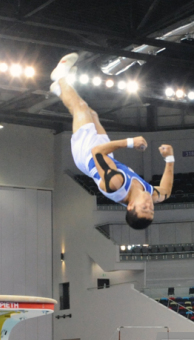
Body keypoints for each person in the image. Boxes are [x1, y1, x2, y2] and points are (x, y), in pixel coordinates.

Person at [50, 53, 175, 230]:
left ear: (130, 206)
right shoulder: (149, 194)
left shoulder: (116, 185)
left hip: (87, 154)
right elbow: (166, 191)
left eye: (144, 208)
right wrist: (169, 159)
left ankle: (60, 76)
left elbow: (96, 153)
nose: (150, 205)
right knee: (93, 115)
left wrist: (130, 142)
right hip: (105, 153)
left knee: (81, 108)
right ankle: (59, 89)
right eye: (152, 210)